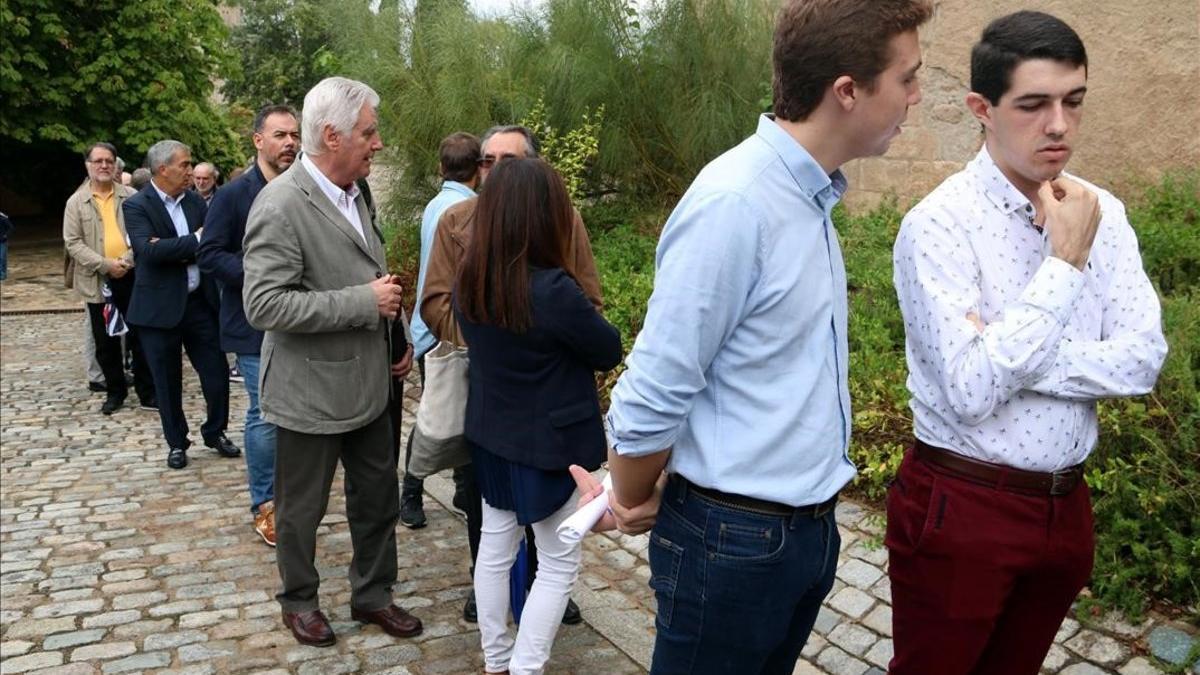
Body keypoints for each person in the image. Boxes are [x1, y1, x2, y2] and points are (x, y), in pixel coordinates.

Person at [571, 1, 933, 672]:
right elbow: (655, 386)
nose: (917, 96)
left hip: (801, 533)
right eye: (907, 77)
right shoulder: (737, 200)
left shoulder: (807, 193)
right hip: (731, 544)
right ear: (847, 91)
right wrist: (628, 492)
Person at [886, 11, 1167, 674]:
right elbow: (973, 389)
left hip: (1066, 506)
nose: (1060, 125)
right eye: (1034, 105)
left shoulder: (1104, 209)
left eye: (1074, 101)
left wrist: (1014, 357)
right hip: (963, 505)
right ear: (982, 108)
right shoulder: (938, 226)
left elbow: (1144, 359)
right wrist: (1064, 263)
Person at [243, 76, 421, 648]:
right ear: (332, 135)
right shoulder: (279, 205)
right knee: (301, 511)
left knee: (377, 499)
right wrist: (362, 304)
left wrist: (394, 339)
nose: (378, 143)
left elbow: (366, 271)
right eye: (369, 132)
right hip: (308, 390)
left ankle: (373, 596)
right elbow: (263, 304)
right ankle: (299, 601)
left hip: (369, 383)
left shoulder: (357, 190)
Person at [422, 124, 599, 625]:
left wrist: (538, 331)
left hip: (549, 400)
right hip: (487, 390)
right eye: (487, 161)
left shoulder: (564, 221)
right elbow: (435, 302)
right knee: (489, 508)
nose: (495, 172)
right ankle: (491, 594)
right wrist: (493, 335)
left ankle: (549, 590)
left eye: (508, 162)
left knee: (551, 504)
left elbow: (588, 300)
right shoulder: (456, 221)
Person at [456, 157, 621, 675]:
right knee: (556, 563)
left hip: (492, 437)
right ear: (543, 216)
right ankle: (525, 668)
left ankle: (496, 661)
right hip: (551, 449)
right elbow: (607, 349)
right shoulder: (553, 290)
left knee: (494, 548)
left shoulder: (471, 279)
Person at [198, 104, 301, 548]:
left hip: (300, 320)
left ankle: (294, 497)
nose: (290, 143)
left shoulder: (305, 189)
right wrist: (262, 272)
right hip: (254, 324)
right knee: (265, 412)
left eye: (294, 135)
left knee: (294, 414)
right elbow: (210, 254)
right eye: (280, 135)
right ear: (258, 140)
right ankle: (265, 505)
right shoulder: (234, 195)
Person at [124, 139, 239, 469]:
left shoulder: (195, 203)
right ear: (163, 169)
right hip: (158, 309)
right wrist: (195, 241)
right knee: (167, 379)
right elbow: (147, 252)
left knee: (216, 374)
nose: (191, 171)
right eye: (185, 165)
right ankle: (176, 441)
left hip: (199, 304)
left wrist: (175, 247)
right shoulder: (137, 205)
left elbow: (211, 246)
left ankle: (215, 431)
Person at [399, 131, 482, 530]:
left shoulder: (437, 203)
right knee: (441, 414)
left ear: (440, 167)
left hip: (429, 324)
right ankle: (411, 490)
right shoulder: (467, 211)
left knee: (453, 413)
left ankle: (463, 493)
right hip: (444, 329)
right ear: (480, 169)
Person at [63, 141, 156, 414]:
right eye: (98, 161)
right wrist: (105, 265)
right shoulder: (76, 202)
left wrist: (126, 261)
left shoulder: (131, 196)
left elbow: (143, 234)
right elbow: (73, 242)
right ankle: (115, 391)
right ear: (87, 165)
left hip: (133, 276)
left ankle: (147, 392)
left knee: (140, 337)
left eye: (108, 161)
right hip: (98, 281)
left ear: (115, 164)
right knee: (105, 343)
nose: (104, 166)